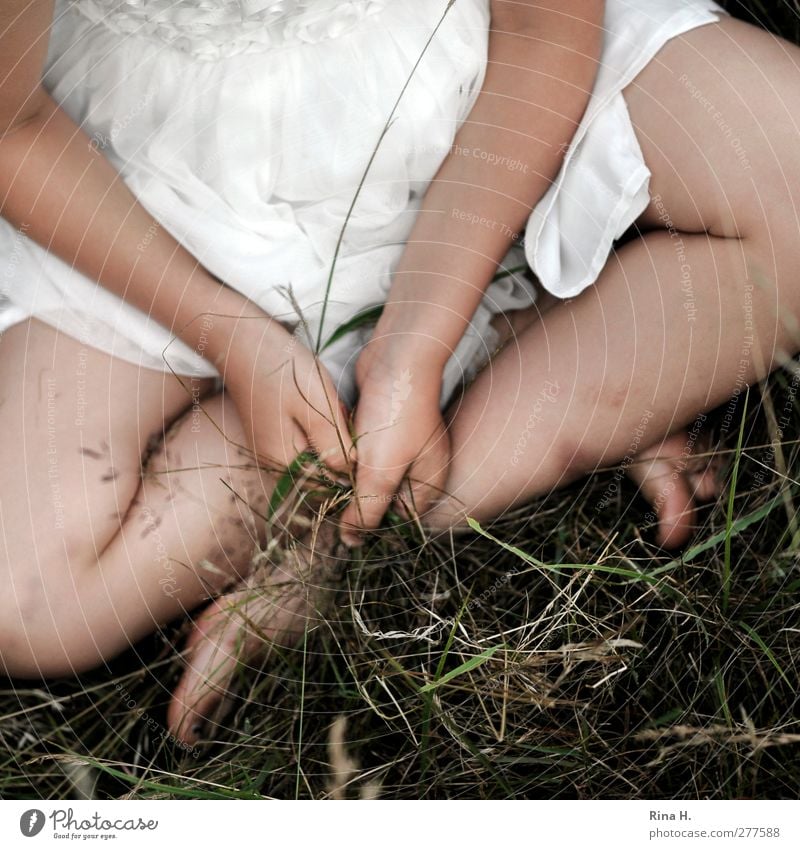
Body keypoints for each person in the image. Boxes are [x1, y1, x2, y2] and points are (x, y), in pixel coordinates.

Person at [1, 0, 799, 746]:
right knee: (27, 603)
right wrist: (234, 338)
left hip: (477, 74)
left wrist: (418, 347)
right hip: (154, 157)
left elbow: (546, 24)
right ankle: (534, 354)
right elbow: (13, 120)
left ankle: (350, 509)